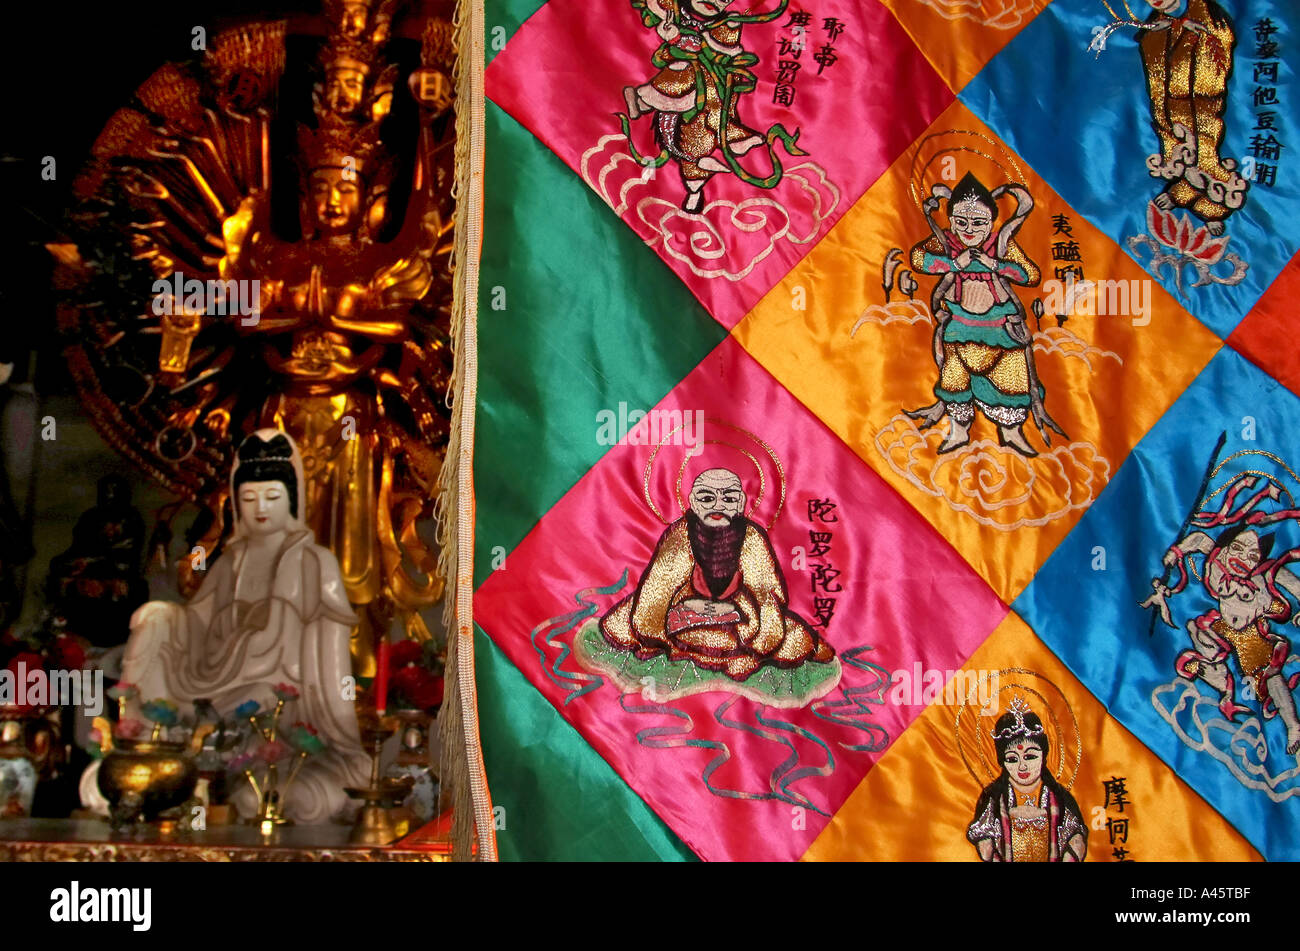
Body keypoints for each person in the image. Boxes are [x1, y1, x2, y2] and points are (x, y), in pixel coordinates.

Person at [121, 430, 369, 823]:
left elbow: (327, 645)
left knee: (266, 700)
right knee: (156, 616)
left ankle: (266, 770)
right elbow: (197, 617)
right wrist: (163, 617)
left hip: (277, 682)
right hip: (212, 672)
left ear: (292, 499)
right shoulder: (228, 560)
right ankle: (143, 754)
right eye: (249, 499)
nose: (260, 509)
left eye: (272, 497)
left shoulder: (314, 561)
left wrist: (275, 619)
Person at [599, 468, 834, 681]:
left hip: (739, 620)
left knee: (794, 638)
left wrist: (737, 615)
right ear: (692, 502)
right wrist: (689, 610)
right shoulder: (681, 534)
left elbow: (767, 596)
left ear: (741, 503)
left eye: (729, 499)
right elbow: (657, 590)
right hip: (684, 616)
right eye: (707, 498)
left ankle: (739, 652)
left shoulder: (751, 537)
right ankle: (695, 647)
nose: (718, 506)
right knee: (621, 622)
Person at [905, 173, 1056, 457]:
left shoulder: (1002, 244)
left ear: (991, 222)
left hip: (1001, 328)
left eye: (978, 222)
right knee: (954, 382)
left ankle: (1012, 434)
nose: (969, 229)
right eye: (961, 222)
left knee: (1012, 384)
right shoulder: (948, 243)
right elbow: (918, 259)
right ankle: (958, 432)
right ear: (951, 221)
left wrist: (996, 264)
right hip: (959, 326)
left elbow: (1030, 275)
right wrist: (952, 263)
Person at [1150, 525, 1300, 754]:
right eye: (1237, 548)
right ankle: (1216, 686)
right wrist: (1177, 552)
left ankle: (1292, 727)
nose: (1242, 558)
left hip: (1253, 637)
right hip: (1220, 627)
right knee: (1199, 635)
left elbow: (1291, 581)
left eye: (1252, 556)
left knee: (1271, 676)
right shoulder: (1217, 561)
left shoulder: (1265, 576)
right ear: (1226, 546)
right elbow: (1200, 539)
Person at [1137, 0, 1245, 234]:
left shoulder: (1207, 17)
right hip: (1168, 101)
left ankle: (1215, 205)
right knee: (1171, 134)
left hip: (1199, 98)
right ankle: (1183, 186)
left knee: (1205, 142)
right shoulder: (1157, 22)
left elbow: (1217, 51)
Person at [967, 698, 1088, 861]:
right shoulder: (994, 798)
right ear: (1002, 761)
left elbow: (1075, 839)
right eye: (1012, 759)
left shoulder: (1059, 798)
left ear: (1043, 755)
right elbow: (984, 841)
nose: (1022, 767)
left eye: (1030, 757)